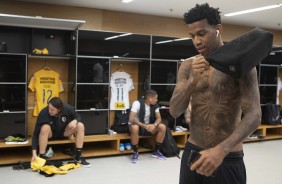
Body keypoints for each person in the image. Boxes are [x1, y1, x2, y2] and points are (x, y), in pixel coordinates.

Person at [169, 3, 261, 184]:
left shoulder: (240, 66)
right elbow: (174, 111)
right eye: (192, 36)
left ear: (218, 28)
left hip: (227, 157)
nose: (196, 41)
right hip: (192, 152)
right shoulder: (188, 66)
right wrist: (192, 82)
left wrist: (221, 150)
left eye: (201, 34)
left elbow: (255, 115)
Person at [31, 97, 91, 167]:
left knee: (80, 125)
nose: (49, 111)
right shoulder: (44, 113)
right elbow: (35, 135)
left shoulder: (67, 108)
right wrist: (34, 154)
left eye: (52, 109)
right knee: (44, 127)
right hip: (51, 134)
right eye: (49, 108)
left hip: (64, 132)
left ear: (59, 109)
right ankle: (41, 157)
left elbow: (78, 116)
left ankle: (78, 157)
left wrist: (74, 121)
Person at [129, 89, 167, 163]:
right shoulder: (137, 103)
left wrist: (154, 125)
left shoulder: (155, 105)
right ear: (150, 98)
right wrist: (143, 125)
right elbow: (131, 119)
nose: (157, 100)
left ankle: (156, 152)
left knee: (162, 127)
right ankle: (135, 152)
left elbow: (159, 118)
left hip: (148, 125)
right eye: (156, 98)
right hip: (137, 125)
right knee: (134, 127)